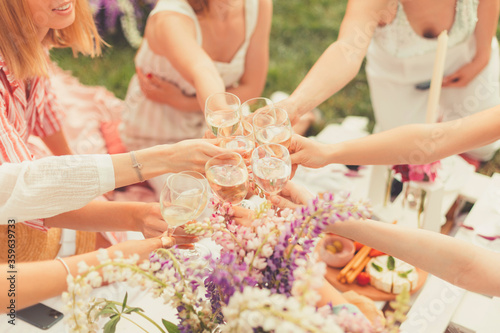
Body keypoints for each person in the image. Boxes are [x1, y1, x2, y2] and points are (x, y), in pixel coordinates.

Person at [275, 0, 500, 164]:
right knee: (405, 155)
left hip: (464, 60)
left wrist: (481, 57)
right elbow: (347, 51)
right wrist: (295, 105)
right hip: (399, 74)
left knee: (480, 144)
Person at [119, 0, 272, 152]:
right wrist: (226, 123)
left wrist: (183, 102)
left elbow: (252, 88)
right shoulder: (170, 17)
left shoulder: (258, 5)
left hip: (213, 121)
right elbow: (203, 70)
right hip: (159, 133)